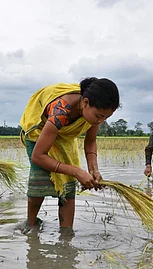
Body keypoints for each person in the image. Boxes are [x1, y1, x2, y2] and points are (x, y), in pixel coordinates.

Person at [20, 77, 120, 229]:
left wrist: (94, 169)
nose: (101, 121)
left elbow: (90, 142)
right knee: (39, 181)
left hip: (64, 136)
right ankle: (31, 225)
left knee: (68, 186)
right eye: (99, 116)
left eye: (106, 118)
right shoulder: (61, 110)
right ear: (85, 103)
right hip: (40, 134)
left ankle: (66, 236)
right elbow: (38, 156)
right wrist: (77, 171)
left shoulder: (93, 116)